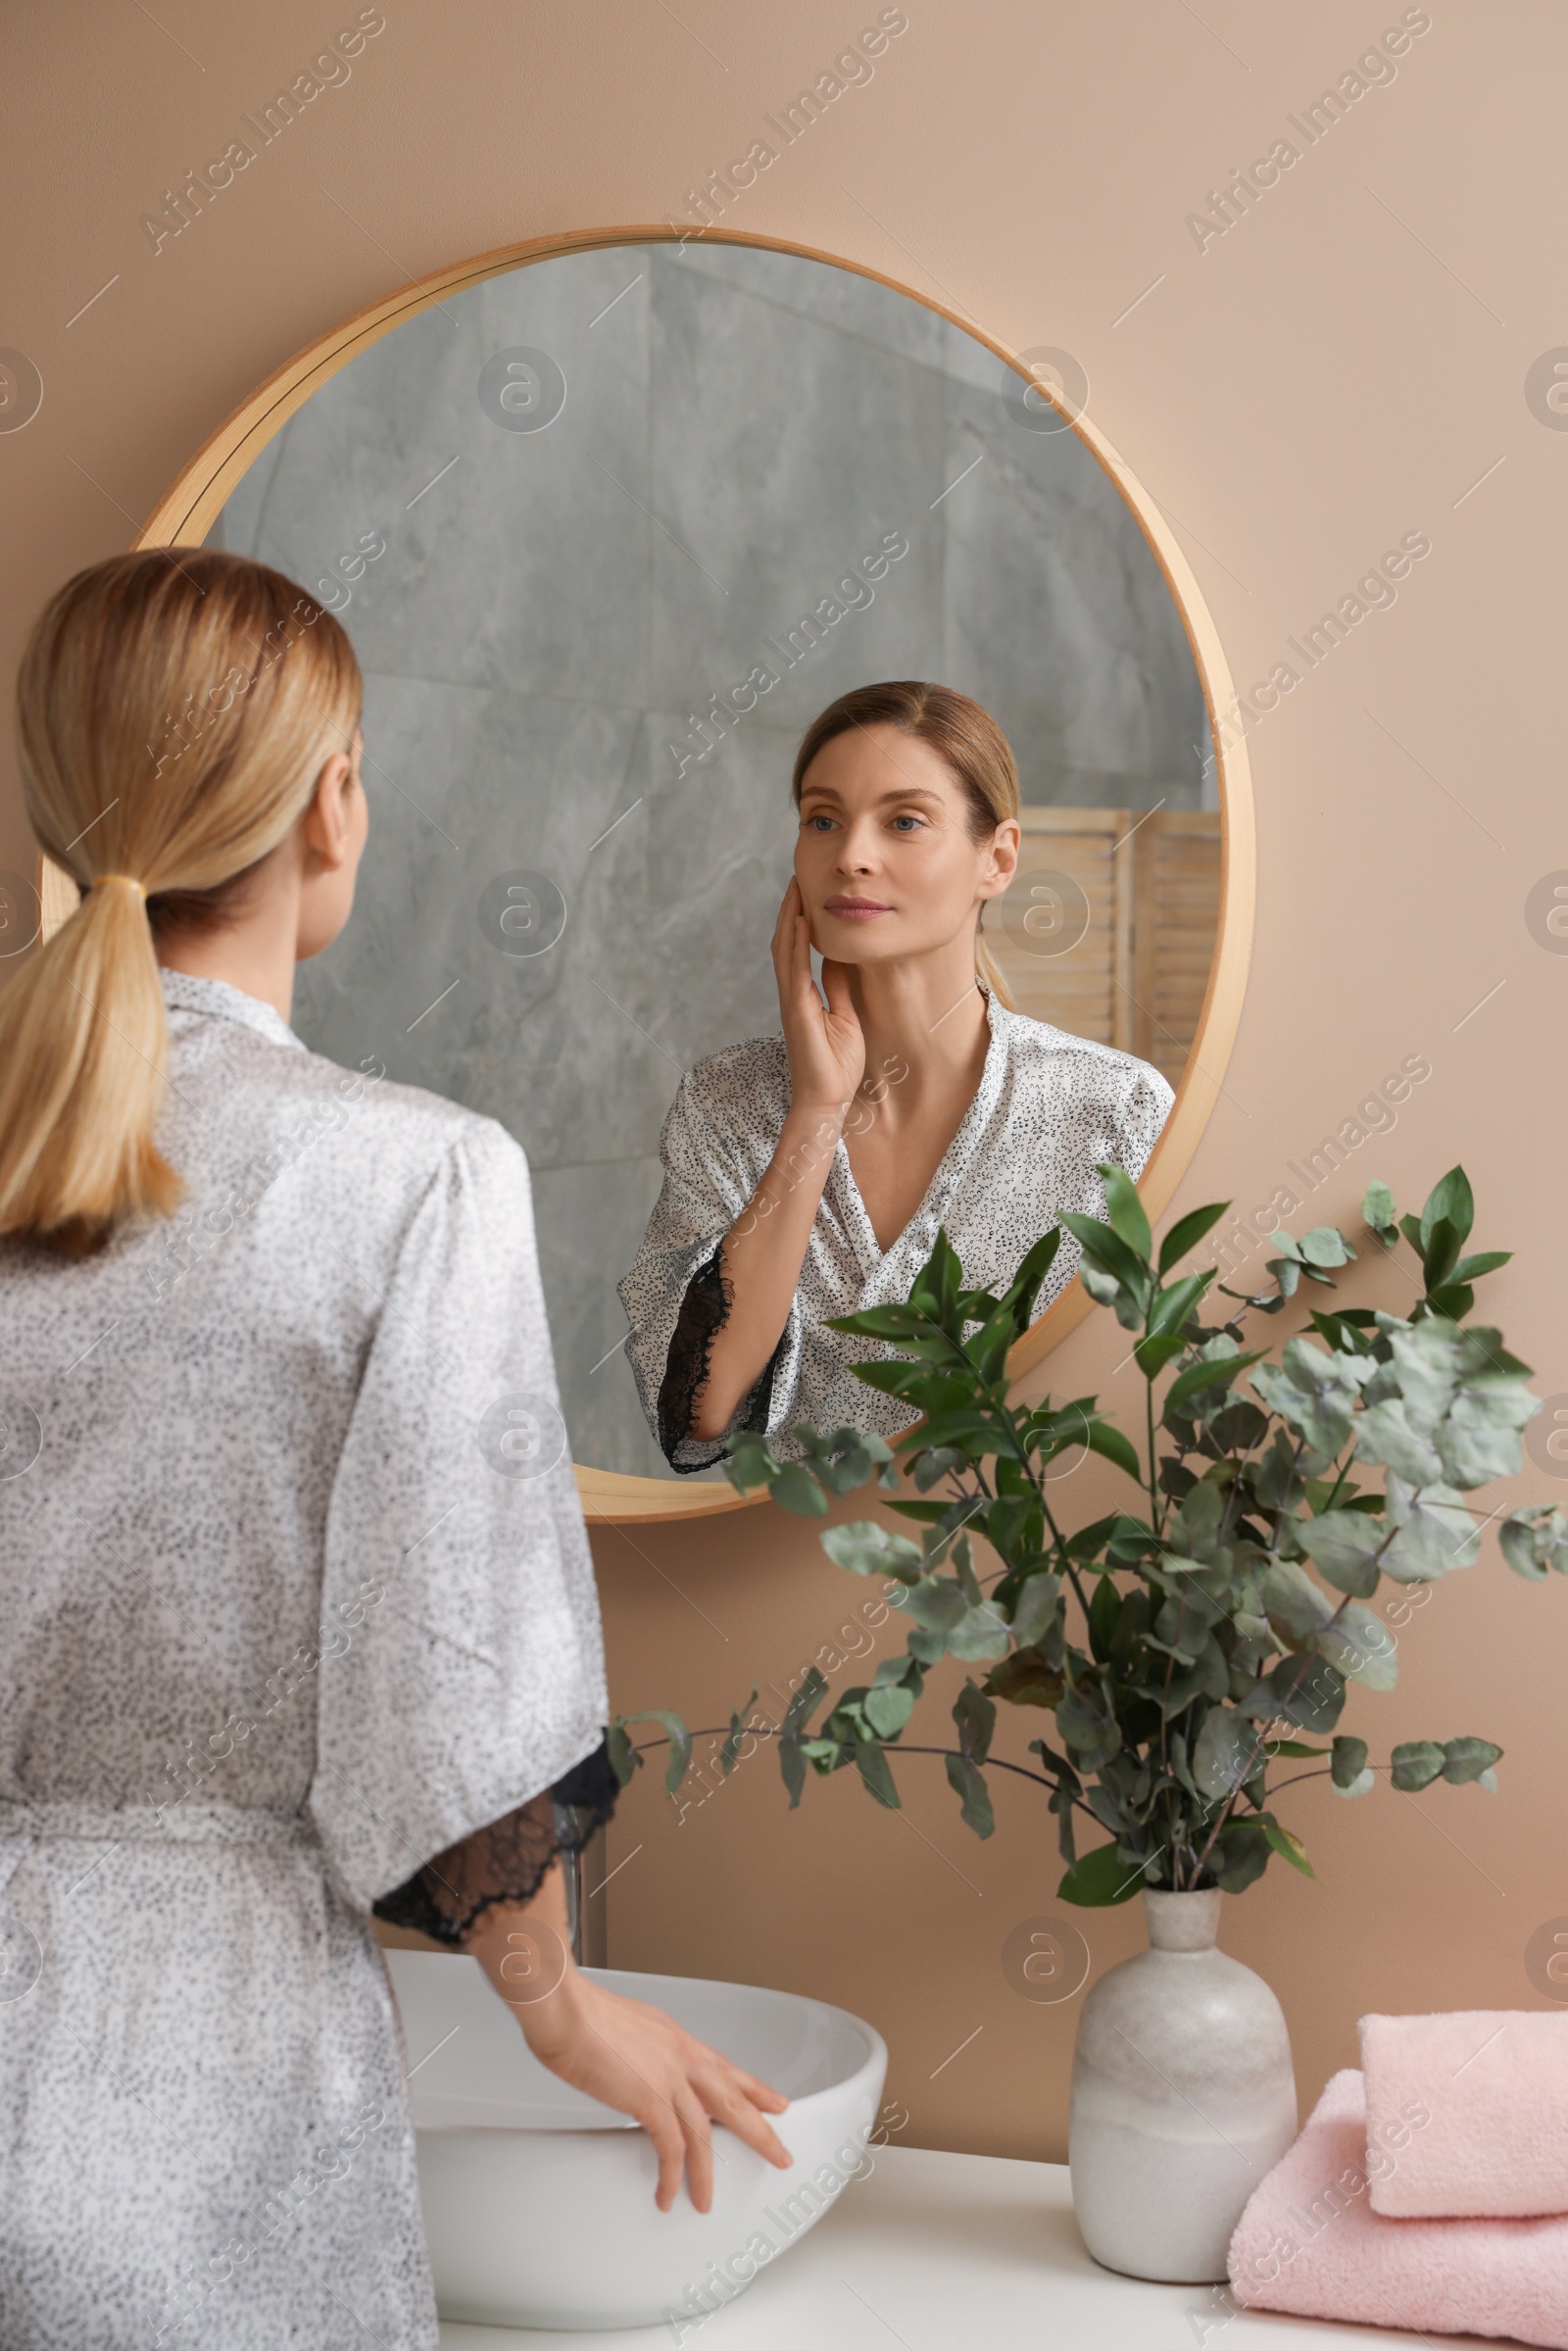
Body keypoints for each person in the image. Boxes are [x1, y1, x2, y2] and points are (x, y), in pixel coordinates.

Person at [0, 550, 789, 2349]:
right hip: (202, 2073)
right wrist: (558, 1998)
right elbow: (447, 1651)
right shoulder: (410, 1174)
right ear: (333, 803)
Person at [619, 680, 1175, 1472]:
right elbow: (699, 1413)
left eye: (905, 821)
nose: (851, 854)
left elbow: (1145, 1408)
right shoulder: (724, 1104)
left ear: (999, 857)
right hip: (772, 1585)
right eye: (823, 819)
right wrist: (815, 1110)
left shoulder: (1113, 1110)